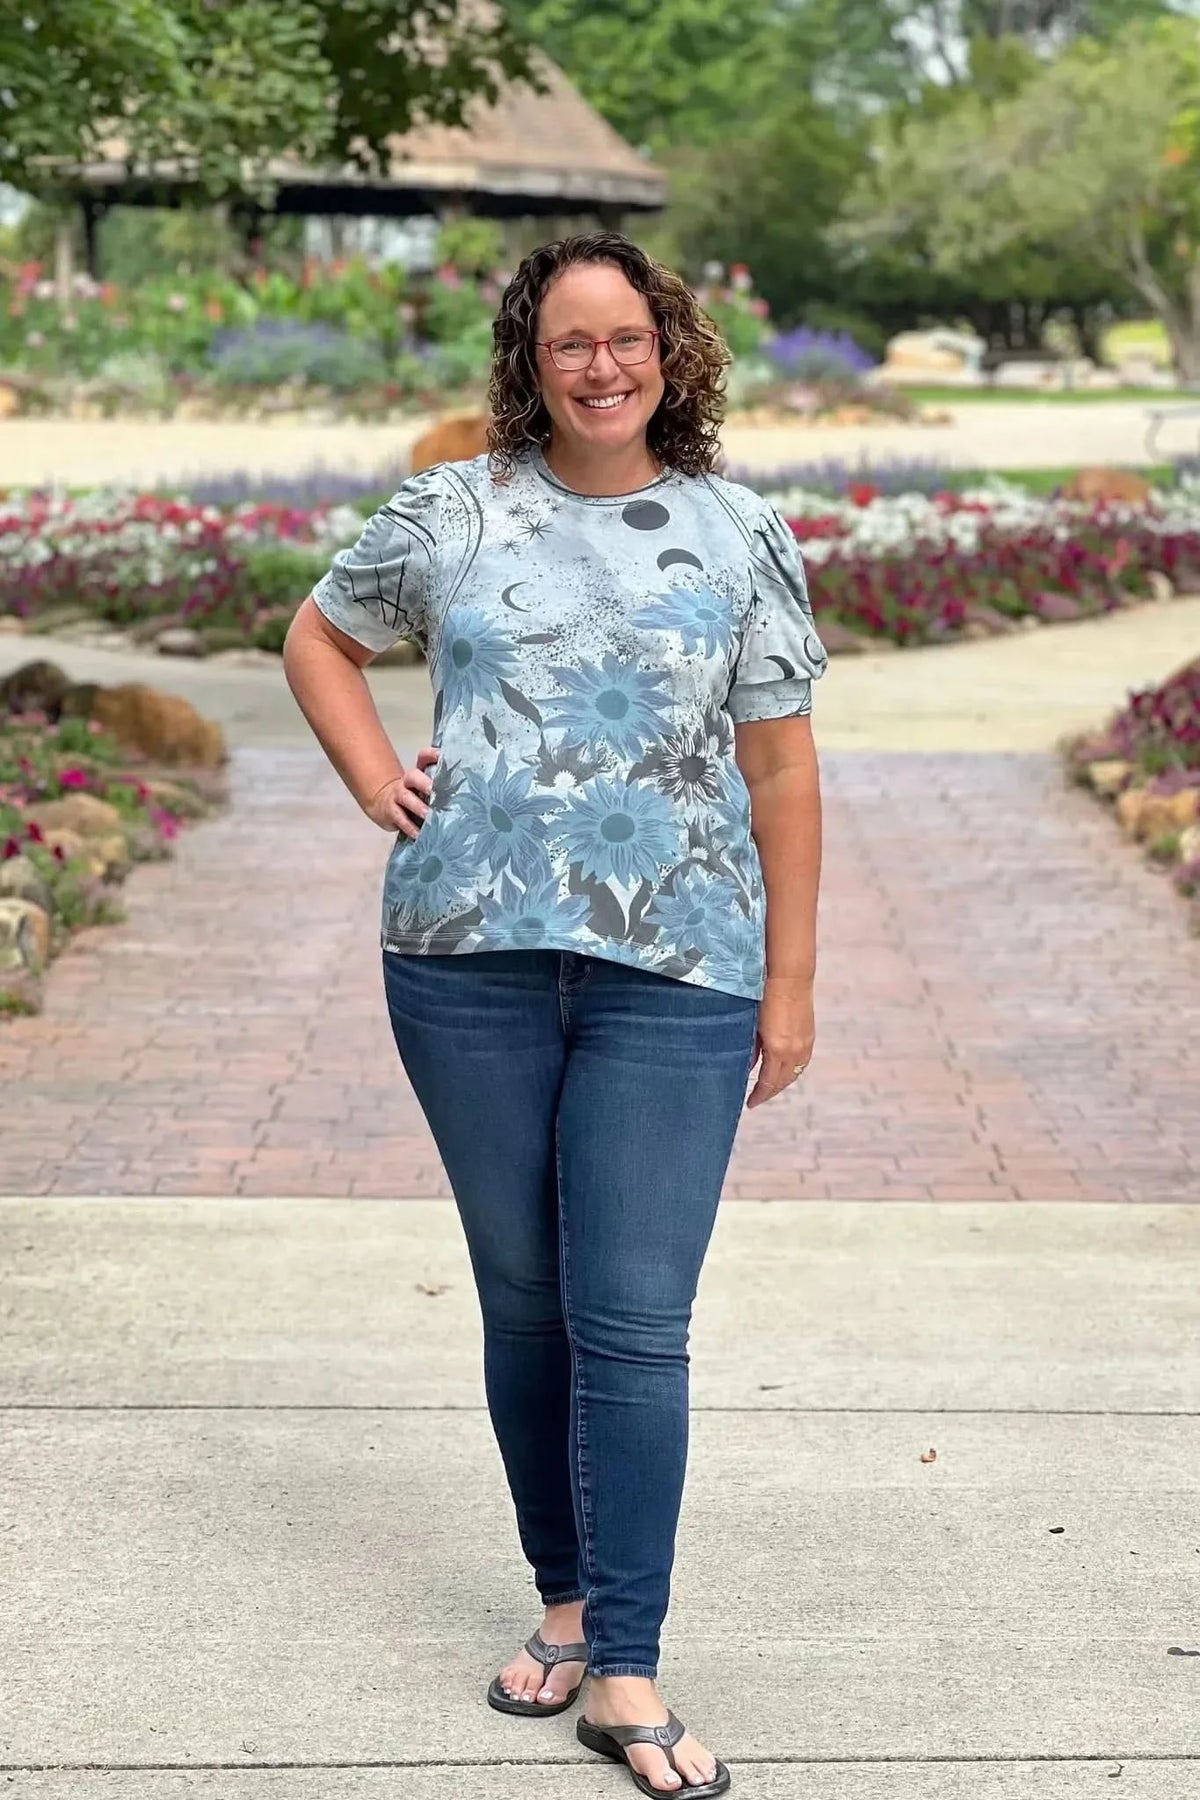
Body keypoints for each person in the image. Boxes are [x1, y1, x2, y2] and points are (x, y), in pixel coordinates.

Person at [283, 231, 826, 1797]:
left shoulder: (736, 534)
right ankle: (569, 1603)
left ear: (672, 351)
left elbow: (783, 768)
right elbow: (320, 636)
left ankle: (632, 1669)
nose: (602, 366)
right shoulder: (451, 512)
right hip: (465, 960)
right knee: (525, 1298)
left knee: (634, 1318)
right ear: (531, 361)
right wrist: (370, 770)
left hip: (683, 971)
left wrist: (791, 979)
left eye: (627, 338)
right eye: (568, 342)